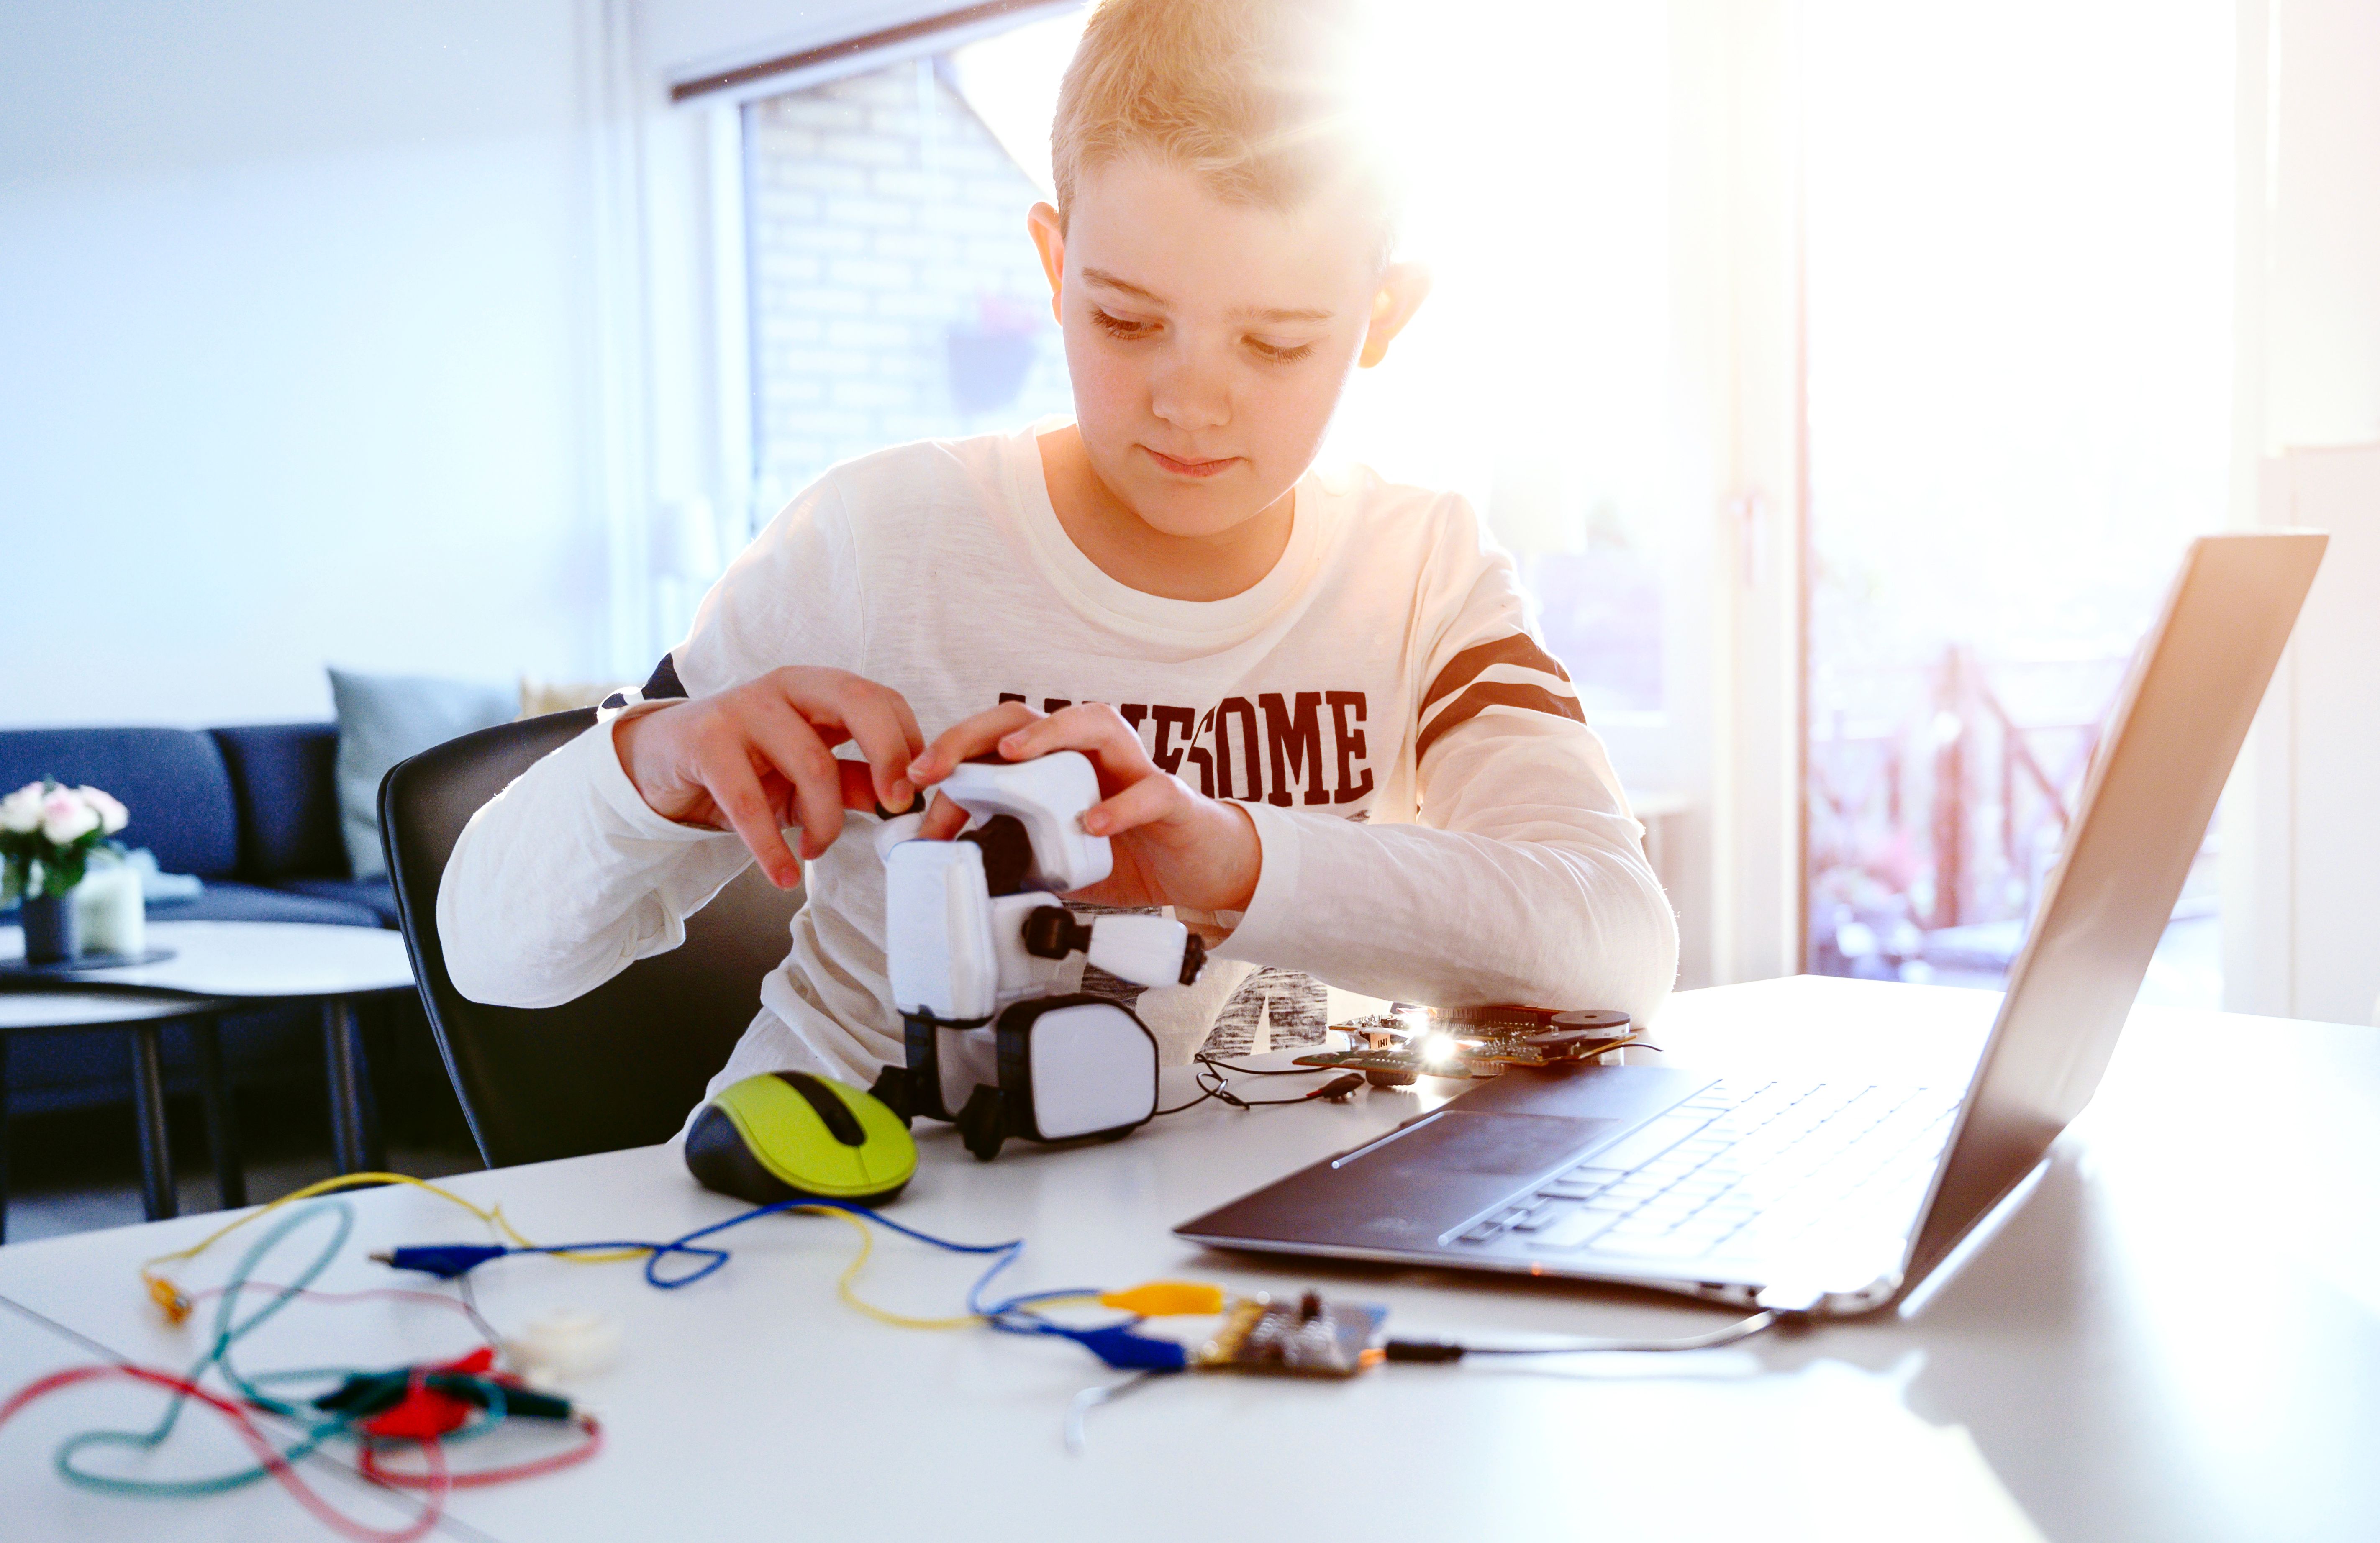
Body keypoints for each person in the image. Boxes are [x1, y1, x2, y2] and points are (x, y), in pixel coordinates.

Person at [439, 0, 1678, 1105]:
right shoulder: (880, 539)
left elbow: (1619, 949)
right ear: (1053, 264)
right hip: (847, 1226)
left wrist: (1232, 864)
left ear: (1383, 316)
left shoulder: (1421, 569)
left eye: (1277, 344)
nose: (1191, 405)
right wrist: (645, 764)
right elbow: (491, 953)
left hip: (1249, 1264)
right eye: (1128, 320)